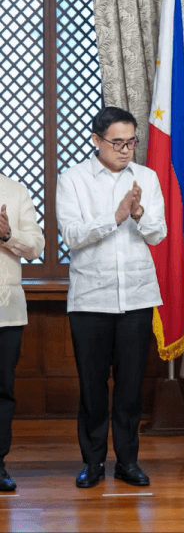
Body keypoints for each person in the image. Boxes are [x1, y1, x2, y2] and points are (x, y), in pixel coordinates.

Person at [56, 106, 167, 489]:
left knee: (130, 387)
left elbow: (158, 234)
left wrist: (137, 213)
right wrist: (115, 217)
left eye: (132, 142)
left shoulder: (147, 178)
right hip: (90, 300)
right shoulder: (73, 180)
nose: (126, 150)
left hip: (137, 297)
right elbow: (71, 234)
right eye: (117, 142)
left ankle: (128, 462)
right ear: (96, 141)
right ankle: (92, 462)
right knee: (92, 387)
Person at [0, 177, 44, 492]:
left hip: (5, 309)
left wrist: (7, 234)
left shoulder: (14, 191)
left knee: (2, 390)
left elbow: (36, 246)